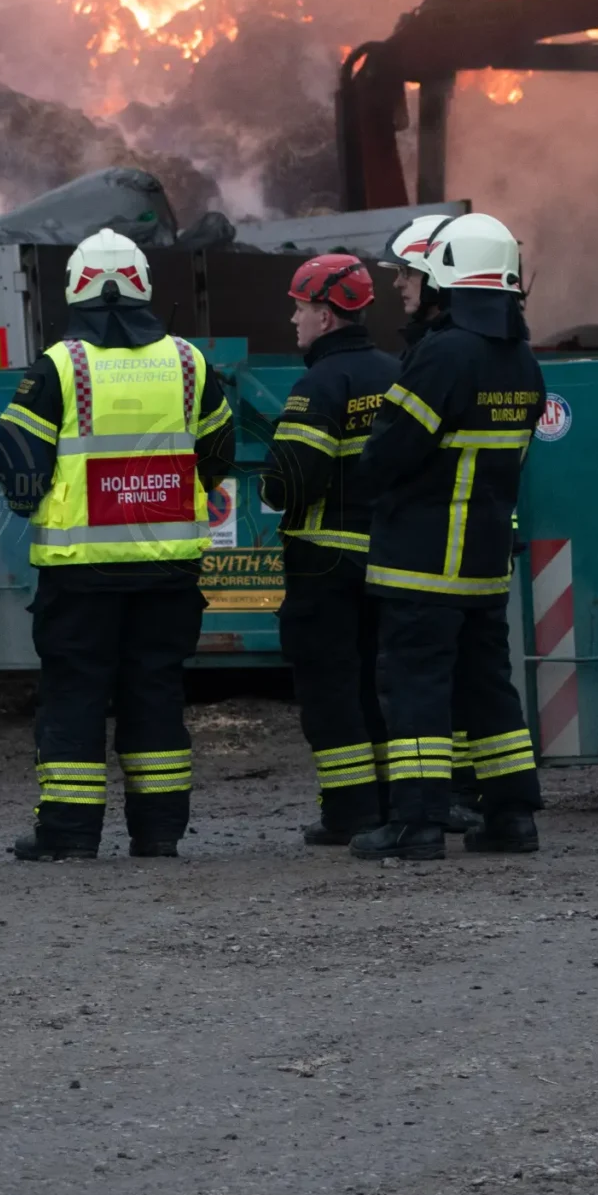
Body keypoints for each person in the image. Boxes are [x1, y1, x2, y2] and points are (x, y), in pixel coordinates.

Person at [0, 229, 234, 860]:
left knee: (75, 697)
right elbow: (218, 453)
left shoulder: (59, 366)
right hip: (168, 572)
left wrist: (38, 505)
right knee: (155, 693)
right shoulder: (189, 363)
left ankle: (69, 835)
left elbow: (18, 465)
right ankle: (159, 833)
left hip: (81, 577)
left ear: (75, 288)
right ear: (143, 286)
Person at [353, 212, 546, 860]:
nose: (405, 286)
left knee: (415, 688)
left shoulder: (443, 354)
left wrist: (367, 484)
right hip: (484, 562)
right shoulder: (522, 360)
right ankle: (512, 816)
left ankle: (417, 824)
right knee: (488, 687)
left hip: (421, 561)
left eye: (416, 274)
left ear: (449, 279)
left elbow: (388, 452)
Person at [260, 252, 400, 845]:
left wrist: (269, 488)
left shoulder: (319, 384)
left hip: (325, 566)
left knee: (330, 690)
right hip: (393, 562)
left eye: (300, 309)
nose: (294, 320)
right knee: (379, 687)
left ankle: (349, 812)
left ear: (326, 315)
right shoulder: (399, 373)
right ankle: (393, 805)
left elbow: (288, 482)